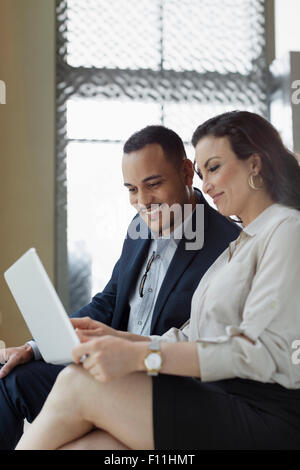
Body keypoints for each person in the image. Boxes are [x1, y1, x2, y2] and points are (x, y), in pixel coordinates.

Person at [14, 110, 300, 451]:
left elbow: (262, 352)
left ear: (254, 165)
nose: (205, 185)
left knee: (79, 382)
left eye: (214, 167)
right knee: (88, 446)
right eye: (203, 169)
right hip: (219, 399)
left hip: (260, 415)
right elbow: (193, 333)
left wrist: (140, 357)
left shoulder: (287, 230)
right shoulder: (243, 242)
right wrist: (118, 339)